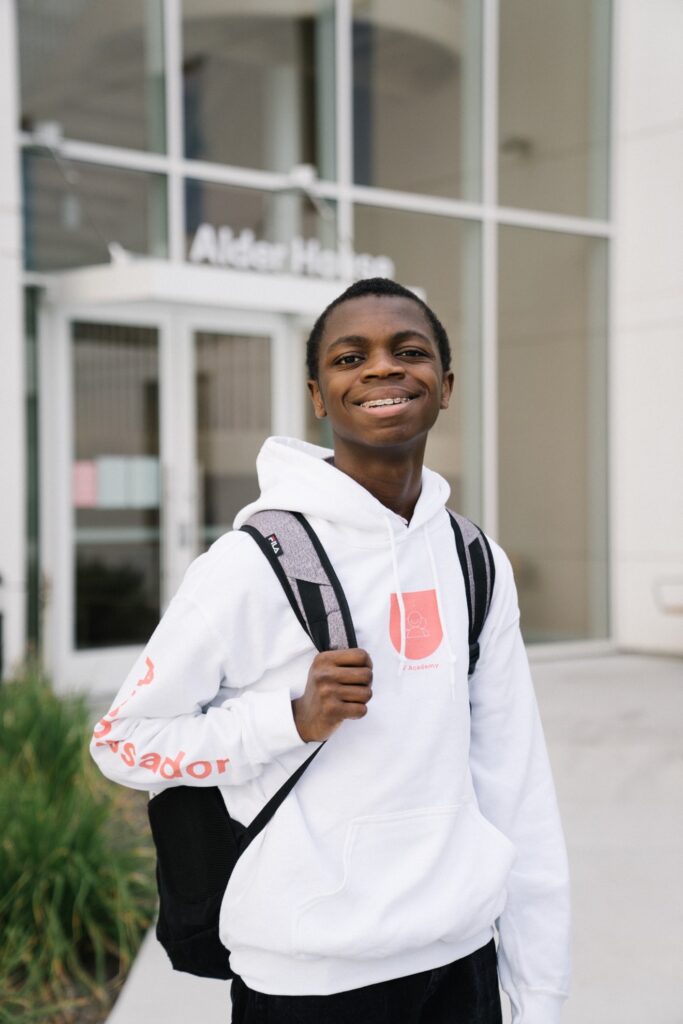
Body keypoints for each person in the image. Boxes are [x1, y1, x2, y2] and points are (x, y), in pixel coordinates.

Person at [91, 278, 571, 1024]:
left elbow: (516, 781)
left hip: (461, 962)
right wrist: (287, 720)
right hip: (307, 979)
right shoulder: (252, 562)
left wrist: (539, 991)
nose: (381, 368)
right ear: (318, 396)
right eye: (350, 357)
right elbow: (123, 743)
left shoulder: (474, 559)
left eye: (408, 351)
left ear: (445, 386)